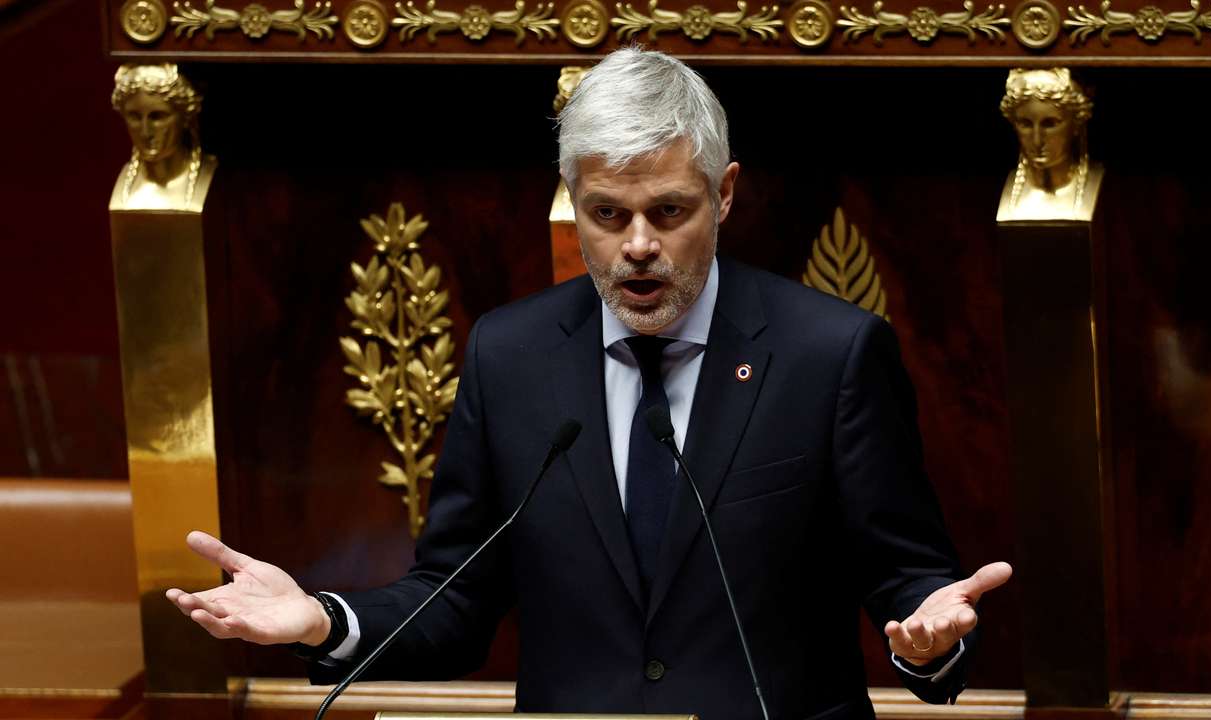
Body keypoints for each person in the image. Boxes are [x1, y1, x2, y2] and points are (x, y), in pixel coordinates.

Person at [167, 47, 1012, 719]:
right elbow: (454, 602)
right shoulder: (512, 355)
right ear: (573, 200)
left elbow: (910, 582)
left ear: (724, 195)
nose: (637, 245)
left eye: (669, 212)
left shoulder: (831, 352)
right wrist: (324, 619)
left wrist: (928, 641)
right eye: (608, 214)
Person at [997, 67, 1103, 222]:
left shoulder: (1099, 183)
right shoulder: (1004, 188)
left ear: (1077, 124)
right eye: (1025, 124)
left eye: (1050, 124)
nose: (1037, 140)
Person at [111, 63, 209, 211]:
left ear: (186, 117)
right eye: (135, 117)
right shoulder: (125, 188)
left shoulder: (207, 175)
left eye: (157, 117)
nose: (145, 132)